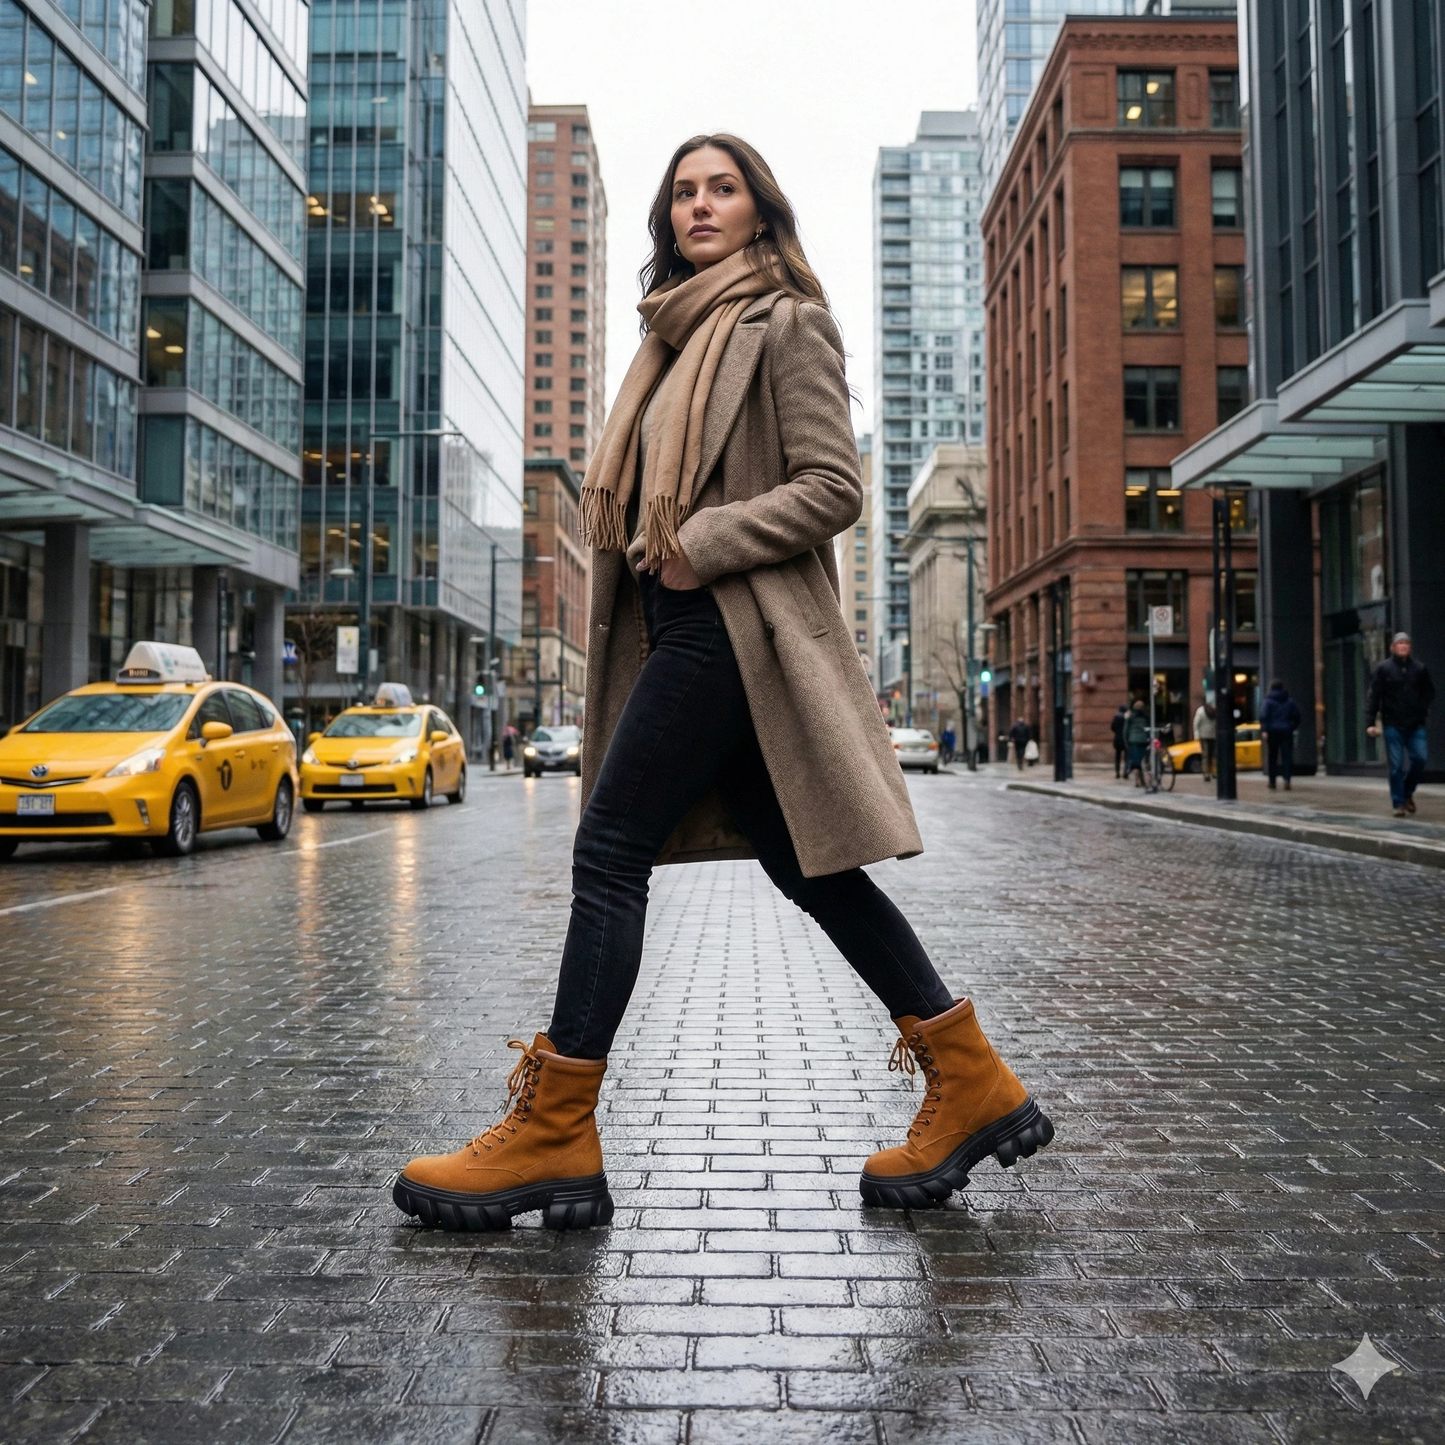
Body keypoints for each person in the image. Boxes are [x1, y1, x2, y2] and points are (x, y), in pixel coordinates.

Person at [393, 134, 1053, 1232]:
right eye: (683, 192)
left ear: (758, 209)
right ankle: (970, 1076)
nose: (699, 204)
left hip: (728, 629)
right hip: (682, 630)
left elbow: (833, 485)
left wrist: (706, 537)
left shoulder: (785, 320)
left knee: (607, 851)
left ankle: (554, 1130)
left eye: (722, 187)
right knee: (812, 871)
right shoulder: (664, 343)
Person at [1366, 632, 1435, 817]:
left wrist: (1422, 709)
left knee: (1420, 759)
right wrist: (1370, 722)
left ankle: (1407, 792)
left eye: (1406, 643)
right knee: (1396, 766)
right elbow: (1374, 696)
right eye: (1400, 643)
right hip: (1392, 724)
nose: (1403, 646)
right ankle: (1398, 803)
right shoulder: (1384, 669)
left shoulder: (1419, 669)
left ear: (1410, 647)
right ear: (1393, 647)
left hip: (1415, 724)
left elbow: (1429, 692)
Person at [1258, 679, 1301, 791]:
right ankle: (1287, 780)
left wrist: (1264, 730)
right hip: (1286, 731)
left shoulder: (1268, 701)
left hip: (1272, 732)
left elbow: (1264, 716)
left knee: (1272, 757)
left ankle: (1272, 781)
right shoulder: (1290, 701)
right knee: (1287, 757)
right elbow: (1296, 716)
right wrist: (1291, 727)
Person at [1124, 699, 1150, 785]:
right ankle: (1144, 780)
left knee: (1136, 761)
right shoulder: (1146, 717)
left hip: (1133, 740)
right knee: (1144, 760)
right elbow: (1149, 728)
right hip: (1144, 740)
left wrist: (1126, 741)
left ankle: (1137, 781)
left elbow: (1125, 730)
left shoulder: (1130, 717)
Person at [1193, 700, 1216, 781]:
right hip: (1210, 736)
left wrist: (1197, 735)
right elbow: (1196, 724)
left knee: (1207, 756)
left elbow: (1196, 724)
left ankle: (1208, 773)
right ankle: (1211, 772)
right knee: (1210, 755)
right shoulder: (1214, 712)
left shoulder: (1200, 711)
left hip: (1206, 736)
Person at [1111, 703, 1129, 778]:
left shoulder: (1116, 717)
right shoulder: (1127, 718)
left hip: (1118, 739)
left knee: (1117, 757)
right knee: (1126, 757)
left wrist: (1117, 732)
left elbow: (1112, 727)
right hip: (1125, 739)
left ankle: (1117, 772)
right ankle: (1125, 772)